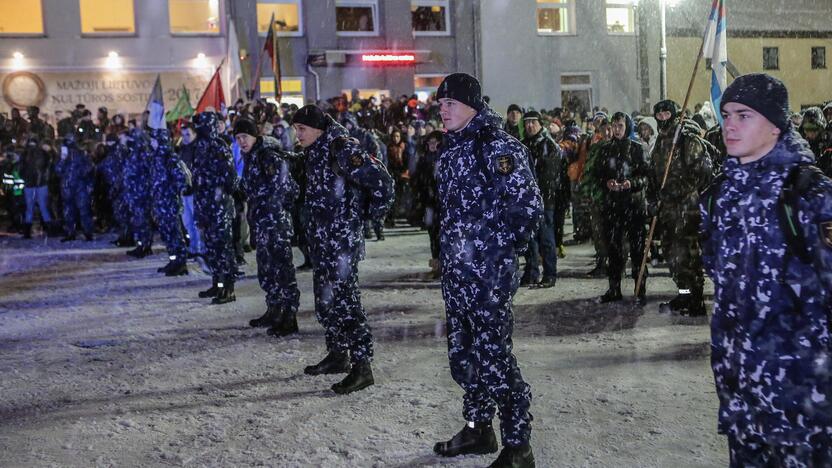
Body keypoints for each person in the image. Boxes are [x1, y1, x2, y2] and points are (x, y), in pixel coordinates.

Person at [700, 73, 832, 467]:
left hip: (803, 403)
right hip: (741, 394)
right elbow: (717, 272)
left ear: (775, 125)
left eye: (744, 116)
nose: (730, 125)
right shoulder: (721, 195)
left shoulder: (811, 196)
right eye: (726, 115)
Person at [432, 73, 541, 468]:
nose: (443, 110)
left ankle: (518, 445)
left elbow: (527, 206)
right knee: (464, 356)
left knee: (494, 357)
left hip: (487, 276)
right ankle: (478, 428)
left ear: (472, 106)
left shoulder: (497, 146)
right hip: (459, 274)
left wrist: (498, 254)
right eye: (440, 104)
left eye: (451, 104)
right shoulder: (452, 149)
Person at [292, 104, 393, 395]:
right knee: (326, 302)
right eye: (296, 129)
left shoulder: (342, 148)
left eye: (302, 129)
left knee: (347, 304)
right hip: (323, 241)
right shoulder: (315, 151)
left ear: (318, 129)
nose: (298, 135)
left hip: (341, 243)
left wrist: (367, 217)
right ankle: (338, 354)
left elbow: (381, 181)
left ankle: (363, 367)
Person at [233, 118, 301, 336]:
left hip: (276, 223)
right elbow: (252, 186)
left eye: (244, 136)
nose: (241, 141)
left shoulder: (268, 156)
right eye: (238, 138)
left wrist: (271, 206)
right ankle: (274, 309)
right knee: (266, 269)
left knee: (283, 270)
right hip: (262, 222)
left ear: (255, 136)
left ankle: (289, 317)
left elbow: (286, 188)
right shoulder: (251, 158)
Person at [648, 100, 713, 316]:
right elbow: (655, 174)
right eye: (660, 115)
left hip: (687, 208)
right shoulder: (660, 142)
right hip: (667, 209)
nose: (663, 118)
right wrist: (655, 195)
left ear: (674, 115)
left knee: (689, 255)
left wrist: (680, 190)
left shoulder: (686, 140)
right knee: (672, 254)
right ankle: (684, 292)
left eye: (667, 114)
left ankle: (696, 299)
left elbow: (702, 172)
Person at [592, 112, 649, 304]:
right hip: (612, 206)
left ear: (627, 127)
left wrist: (631, 183)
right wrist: (606, 183)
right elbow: (597, 175)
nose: (616, 130)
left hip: (634, 206)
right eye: (614, 126)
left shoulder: (637, 149)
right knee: (614, 248)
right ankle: (614, 287)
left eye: (620, 126)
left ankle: (639, 288)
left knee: (637, 248)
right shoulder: (605, 149)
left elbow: (646, 176)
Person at [192, 112, 238, 304]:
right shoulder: (200, 148)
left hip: (218, 207)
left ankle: (227, 288)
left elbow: (231, 178)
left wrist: (221, 193)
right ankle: (217, 283)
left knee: (222, 248)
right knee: (211, 247)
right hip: (205, 206)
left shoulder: (219, 147)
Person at [521, 110, 562, 288]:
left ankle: (549, 274)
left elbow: (550, 176)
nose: (530, 126)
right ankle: (531, 272)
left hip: (545, 199)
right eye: (527, 122)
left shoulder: (549, 145)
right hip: (525, 201)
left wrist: (539, 194)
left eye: (533, 122)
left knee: (546, 239)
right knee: (528, 240)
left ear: (540, 124)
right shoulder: (522, 145)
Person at [148, 128, 188, 277]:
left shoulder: (170, 157)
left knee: (175, 233)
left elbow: (180, 179)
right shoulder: (156, 157)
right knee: (167, 234)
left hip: (169, 202)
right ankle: (173, 260)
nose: (151, 143)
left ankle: (181, 262)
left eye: (153, 140)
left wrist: (174, 192)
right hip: (160, 202)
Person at [53, 134, 94, 242]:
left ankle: (87, 232)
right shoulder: (63, 156)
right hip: (68, 187)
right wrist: (62, 159)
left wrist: (82, 176)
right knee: (69, 211)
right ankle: (71, 232)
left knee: (82, 210)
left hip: (79, 186)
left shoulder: (81, 155)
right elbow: (57, 170)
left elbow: (89, 169)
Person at [122, 128, 154, 257]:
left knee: (142, 220)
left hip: (141, 192)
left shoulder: (143, 153)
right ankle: (141, 244)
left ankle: (145, 246)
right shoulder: (134, 152)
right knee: (138, 220)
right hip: (135, 192)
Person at [19, 137, 54, 238]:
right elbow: (48, 168)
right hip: (42, 184)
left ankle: (27, 233)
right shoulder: (43, 153)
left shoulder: (24, 154)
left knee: (29, 208)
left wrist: (25, 178)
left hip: (29, 185)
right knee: (44, 207)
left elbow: (20, 169)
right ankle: (49, 231)